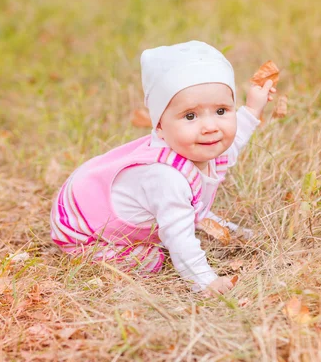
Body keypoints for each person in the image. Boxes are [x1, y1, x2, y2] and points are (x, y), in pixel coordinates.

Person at [50, 40, 276, 296]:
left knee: (182, 214)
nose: (210, 126)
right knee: (153, 258)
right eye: (190, 116)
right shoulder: (166, 177)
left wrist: (254, 108)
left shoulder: (199, 148)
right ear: (159, 126)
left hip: (95, 194)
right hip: (84, 231)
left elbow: (232, 145)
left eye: (222, 110)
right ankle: (107, 252)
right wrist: (206, 283)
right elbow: (179, 239)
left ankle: (198, 216)